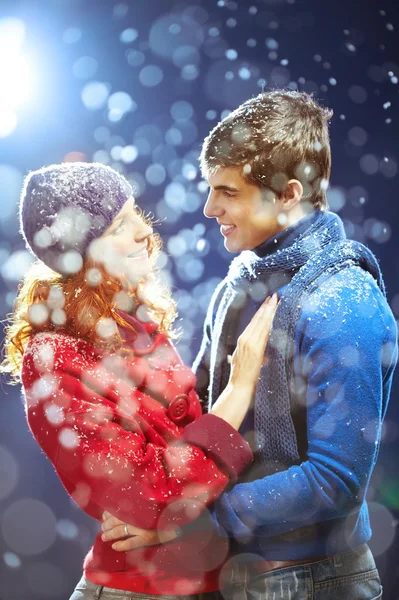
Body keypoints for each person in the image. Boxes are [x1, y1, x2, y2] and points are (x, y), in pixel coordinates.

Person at [101, 91, 398, 599]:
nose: (209, 207)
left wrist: (187, 520)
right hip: (231, 569)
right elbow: (197, 411)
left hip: (316, 579)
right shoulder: (239, 284)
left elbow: (337, 480)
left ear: (288, 194)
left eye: (228, 192)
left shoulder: (345, 300)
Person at [0, 162, 279, 599]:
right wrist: (239, 389)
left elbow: (178, 493)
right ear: (82, 253)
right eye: (118, 226)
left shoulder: (134, 324)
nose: (142, 232)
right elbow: (151, 495)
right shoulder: (54, 357)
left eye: (135, 214)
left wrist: (175, 526)